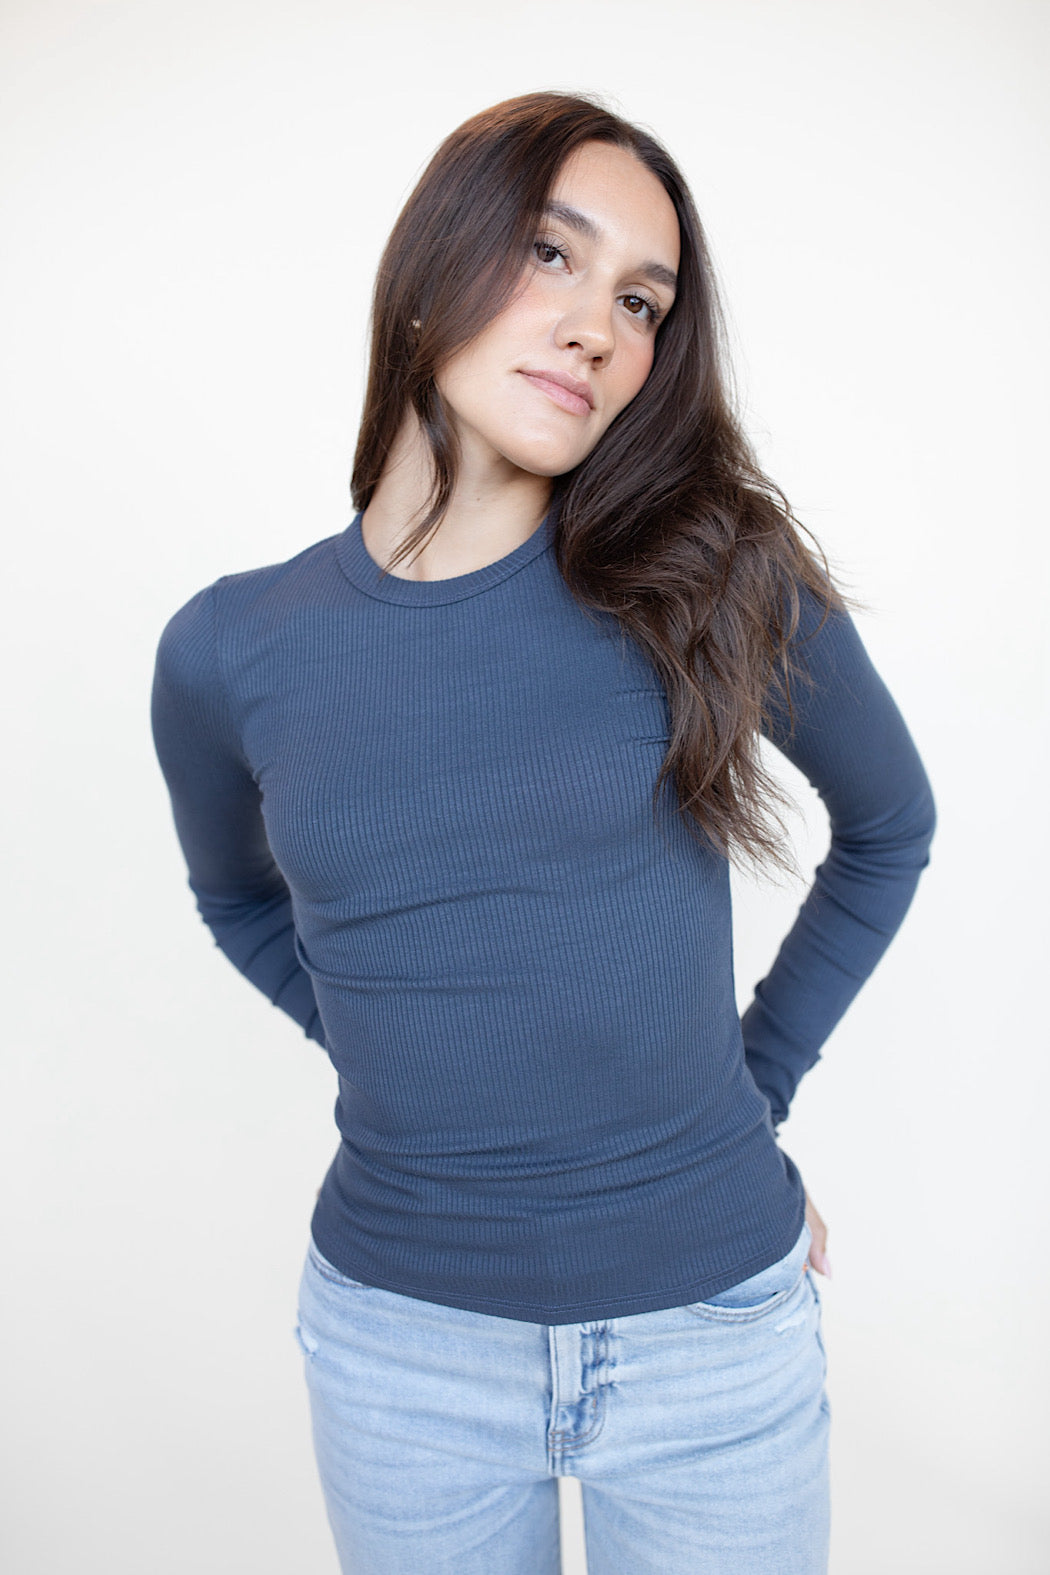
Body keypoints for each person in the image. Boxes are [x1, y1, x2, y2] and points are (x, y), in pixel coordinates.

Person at [150, 90, 936, 1575]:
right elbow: (240, 901)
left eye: (641, 302)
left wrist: (749, 1090)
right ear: (430, 267)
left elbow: (889, 826)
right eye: (552, 254)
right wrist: (389, 1049)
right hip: (402, 1355)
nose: (594, 328)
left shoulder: (710, 574)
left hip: (710, 1337)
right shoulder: (232, 647)